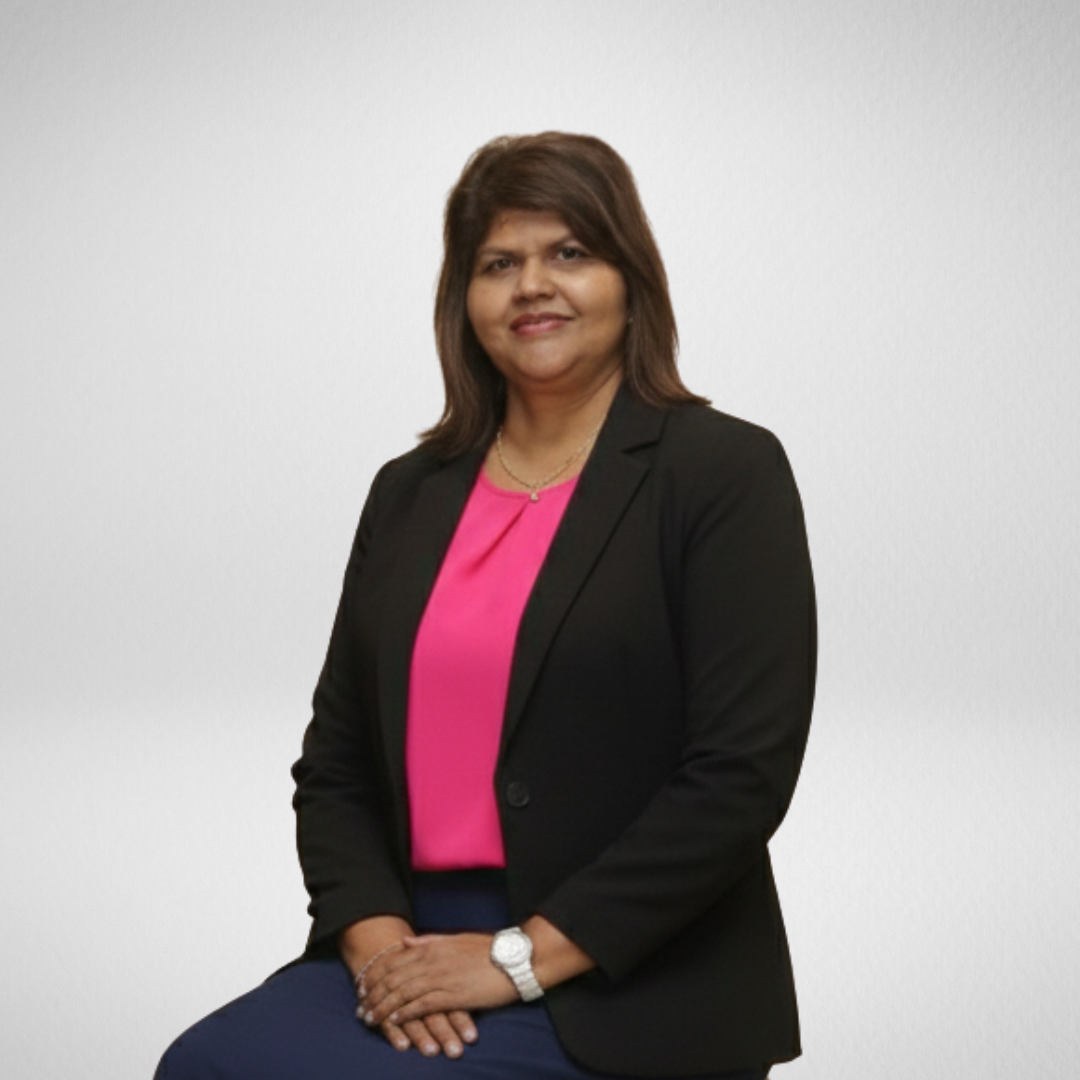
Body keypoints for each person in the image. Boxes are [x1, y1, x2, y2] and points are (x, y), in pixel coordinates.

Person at [154, 132, 816, 1080]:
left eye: (569, 253)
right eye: (499, 263)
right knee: (206, 1065)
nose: (531, 286)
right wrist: (380, 950)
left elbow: (739, 776)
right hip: (410, 945)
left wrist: (517, 959)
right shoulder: (409, 492)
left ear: (631, 280)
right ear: (463, 300)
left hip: (625, 969)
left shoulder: (722, 473)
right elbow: (335, 764)